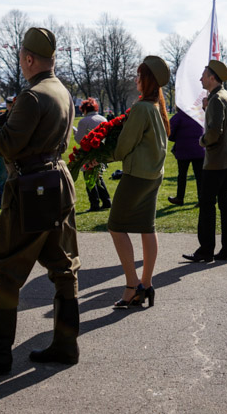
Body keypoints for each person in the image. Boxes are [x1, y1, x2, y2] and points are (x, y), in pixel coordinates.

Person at [0, 27, 81, 373]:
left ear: (28, 59)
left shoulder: (33, 96)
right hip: (57, 184)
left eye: (21, 60)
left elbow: (8, 144)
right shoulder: (61, 91)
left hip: (31, 189)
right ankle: (66, 344)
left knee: (7, 269)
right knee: (62, 265)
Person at [107, 56, 170, 308]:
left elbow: (124, 145)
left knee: (115, 226)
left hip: (136, 176)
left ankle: (132, 285)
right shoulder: (156, 106)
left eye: (138, 75)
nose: (136, 80)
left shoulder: (142, 108)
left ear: (147, 79)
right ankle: (146, 284)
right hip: (154, 175)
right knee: (147, 227)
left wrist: (102, 156)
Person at [184, 59, 227, 263]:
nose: (201, 78)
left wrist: (202, 141)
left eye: (204, 75)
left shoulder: (216, 99)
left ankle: (206, 250)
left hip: (216, 160)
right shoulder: (225, 96)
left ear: (212, 78)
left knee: (207, 205)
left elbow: (215, 132)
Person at [74, 98, 111, 212]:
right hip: (101, 152)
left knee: (89, 178)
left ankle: (94, 203)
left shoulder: (84, 121)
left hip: (88, 153)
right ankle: (106, 201)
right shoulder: (103, 118)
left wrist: (75, 133)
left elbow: (80, 139)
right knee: (98, 176)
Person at [166, 106, 205, 206]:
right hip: (199, 149)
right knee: (199, 176)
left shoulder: (178, 117)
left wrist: (177, 139)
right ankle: (201, 198)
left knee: (182, 175)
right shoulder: (198, 115)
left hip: (183, 149)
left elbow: (169, 132)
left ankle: (180, 197)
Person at [0, 96, 15, 206]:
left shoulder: (19, 117)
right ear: (7, 105)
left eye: (13, 105)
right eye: (10, 105)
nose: (11, 107)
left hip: (16, 150)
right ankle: (1, 199)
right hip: (3, 151)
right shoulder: (0, 119)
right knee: (3, 175)